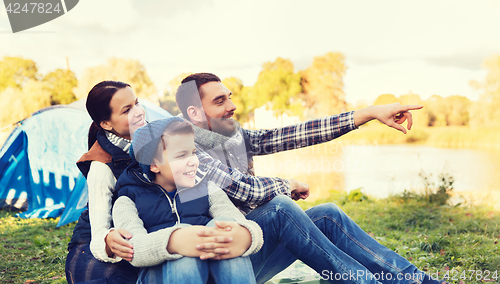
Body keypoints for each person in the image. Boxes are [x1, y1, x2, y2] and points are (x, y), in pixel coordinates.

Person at [174, 73, 450, 284]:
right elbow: (241, 188)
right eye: (220, 101)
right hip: (219, 268)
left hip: (251, 248)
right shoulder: (181, 147)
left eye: (229, 96)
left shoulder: (231, 135)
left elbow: (293, 134)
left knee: (327, 215)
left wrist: (368, 113)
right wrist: (286, 185)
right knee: (280, 208)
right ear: (194, 113)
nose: (232, 106)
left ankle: (418, 281)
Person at [112, 117, 263, 283]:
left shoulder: (207, 188)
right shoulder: (128, 200)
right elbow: (134, 249)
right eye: (181, 155)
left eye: (193, 153)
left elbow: (240, 221)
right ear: (154, 165)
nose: (193, 161)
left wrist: (246, 234)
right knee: (184, 252)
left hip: (209, 271)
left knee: (224, 227)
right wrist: (174, 240)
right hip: (157, 276)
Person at [65, 80, 144, 283]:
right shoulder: (101, 167)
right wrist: (108, 241)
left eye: (137, 103)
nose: (139, 112)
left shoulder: (155, 140)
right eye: (127, 110)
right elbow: (99, 232)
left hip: (141, 233)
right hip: (94, 243)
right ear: (106, 124)